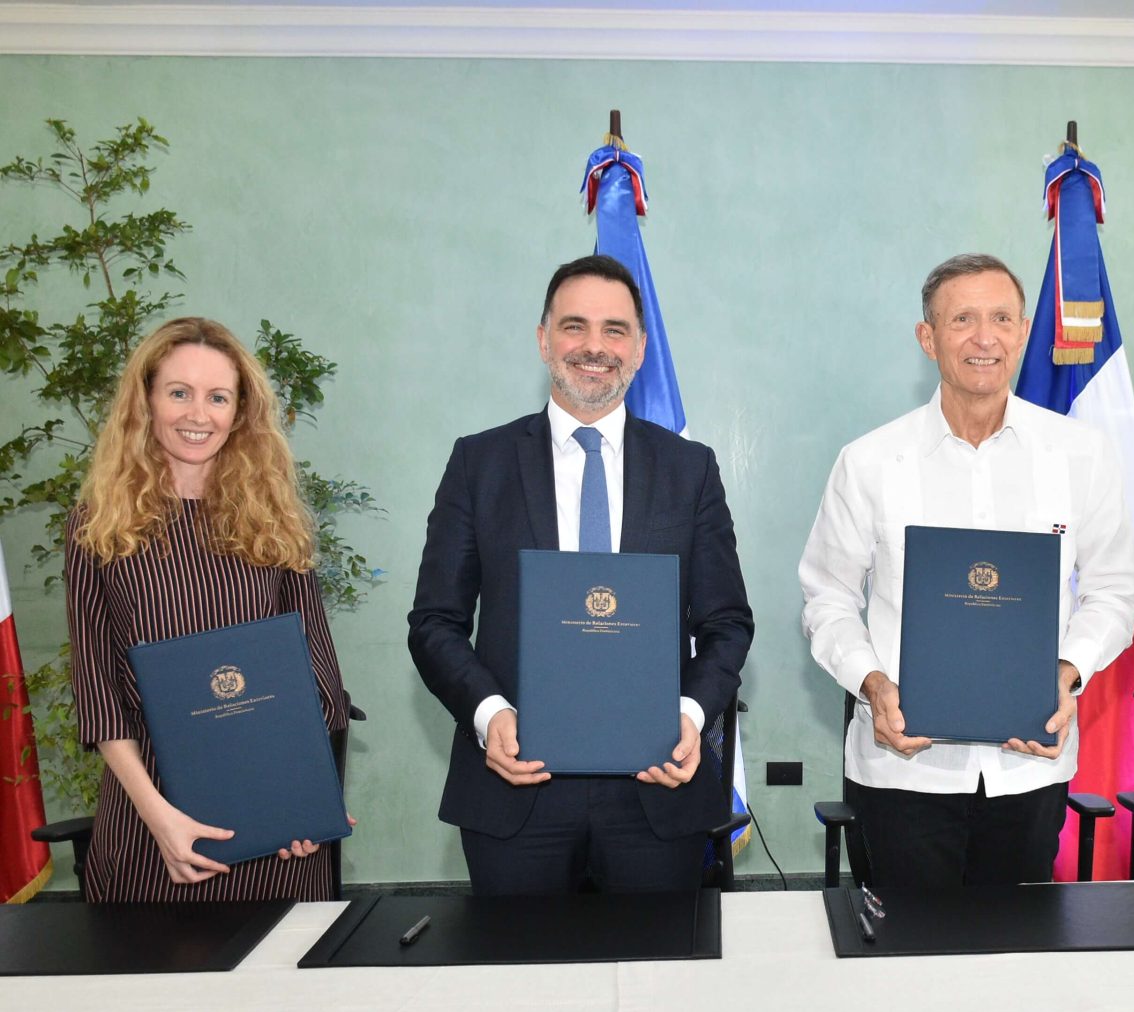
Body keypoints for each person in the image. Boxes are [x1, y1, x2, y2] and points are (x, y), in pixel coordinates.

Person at [408, 254, 752, 895]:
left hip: (656, 793)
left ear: (642, 348)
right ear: (543, 340)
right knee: (521, 986)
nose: (595, 346)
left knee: (658, 983)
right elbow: (435, 623)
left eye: (615, 329)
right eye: (575, 326)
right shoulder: (477, 464)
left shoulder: (690, 469)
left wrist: (687, 715)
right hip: (516, 792)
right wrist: (489, 715)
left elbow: (727, 622)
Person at [798, 253, 1134, 887]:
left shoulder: (1081, 456)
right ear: (928, 338)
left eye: (1002, 318)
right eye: (962, 319)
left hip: (1029, 766)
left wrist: (1066, 675)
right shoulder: (870, 461)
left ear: (1024, 331)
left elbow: (1115, 591)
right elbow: (828, 598)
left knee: (1015, 960)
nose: (985, 338)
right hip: (903, 769)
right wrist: (871, 683)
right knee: (902, 959)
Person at [66, 316, 350, 901]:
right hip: (151, 829)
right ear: (145, 402)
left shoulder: (277, 522)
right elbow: (98, 694)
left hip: (277, 834)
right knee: (156, 990)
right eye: (179, 393)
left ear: (240, 411)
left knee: (279, 989)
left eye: (218, 397)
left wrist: (299, 803)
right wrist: (160, 819)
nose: (199, 414)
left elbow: (317, 681)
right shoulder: (98, 525)